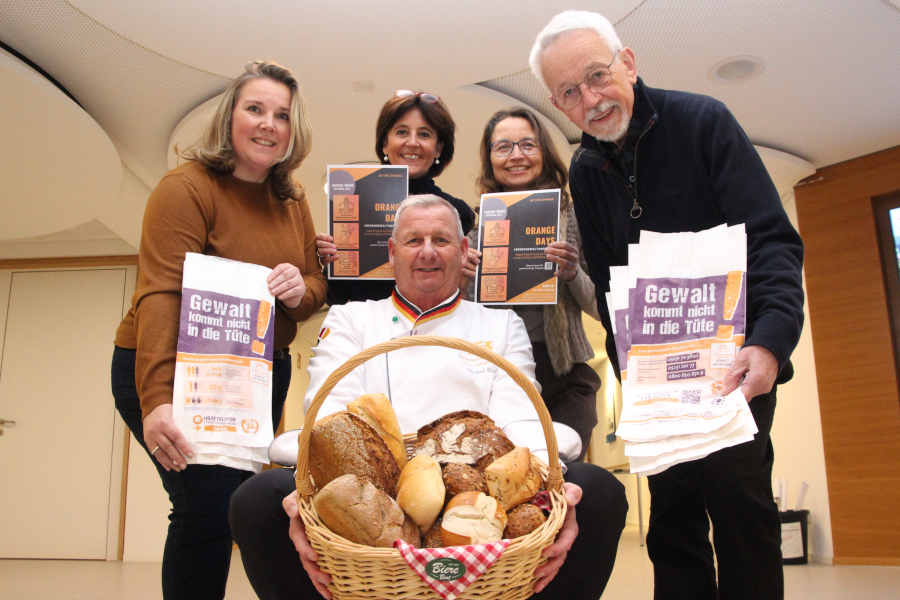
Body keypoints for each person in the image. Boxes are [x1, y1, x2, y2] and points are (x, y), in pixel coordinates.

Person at [530, 10, 805, 600]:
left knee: (741, 510)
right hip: (657, 381)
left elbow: (774, 242)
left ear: (628, 63)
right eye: (571, 92)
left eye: (598, 75)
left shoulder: (703, 121)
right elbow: (608, 289)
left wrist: (770, 342)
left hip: (737, 368)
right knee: (672, 522)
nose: (592, 99)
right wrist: (632, 376)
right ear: (559, 105)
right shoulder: (585, 169)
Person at [229, 195, 627, 600]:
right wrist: (309, 498)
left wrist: (554, 487)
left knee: (599, 491)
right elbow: (330, 419)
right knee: (257, 501)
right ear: (391, 252)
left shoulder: (501, 323)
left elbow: (519, 417)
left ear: (464, 250)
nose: (428, 252)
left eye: (441, 239)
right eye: (413, 240)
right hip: (376, 489)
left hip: (476, 487)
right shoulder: (350, 318)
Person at [111, 61, 327, 600]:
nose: (268, 124)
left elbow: (313, 287)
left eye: (282, 115)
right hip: (176, 367)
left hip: (254, 376)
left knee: (234, 506)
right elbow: (161, 293)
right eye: (255, 109)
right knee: (205, 506)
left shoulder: (292, 198)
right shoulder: (186, 187)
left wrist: (301, 290)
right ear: (229, 116)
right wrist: (158, 400)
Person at [471, 107, 602, 461]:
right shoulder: (472, 228)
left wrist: (573, 273)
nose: (516, 155)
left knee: (563, 474)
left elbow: (602, 309)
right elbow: (458, 313)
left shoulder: (576, 217)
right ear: (490, 159)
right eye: (503, 147)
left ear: (544, 151)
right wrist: (464, 277)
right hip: (495, 378)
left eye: (528, 144)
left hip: (562, 374)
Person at [316, 91, 478, 305]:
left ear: (438, 148)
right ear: (385, 144)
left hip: (428, 332)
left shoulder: (456, 212)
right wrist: (331, 264)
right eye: (402, 132)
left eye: (424, 134)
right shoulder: (356, 203)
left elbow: (456, 298)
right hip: (368, 333)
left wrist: (465, 274)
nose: (412, 142)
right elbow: (335, 297)